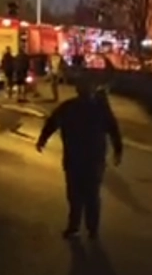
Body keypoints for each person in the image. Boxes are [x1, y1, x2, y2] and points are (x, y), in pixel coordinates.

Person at [36, 77, 123, 241]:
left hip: (75, 157)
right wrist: (118, 151)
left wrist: (42, 140)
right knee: (92, 195)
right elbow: (114, 130)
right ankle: (92, 229)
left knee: (75, 194)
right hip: (94, 158)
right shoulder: (100, 109)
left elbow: (52, 123)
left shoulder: (69, 107)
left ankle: (75, 226)